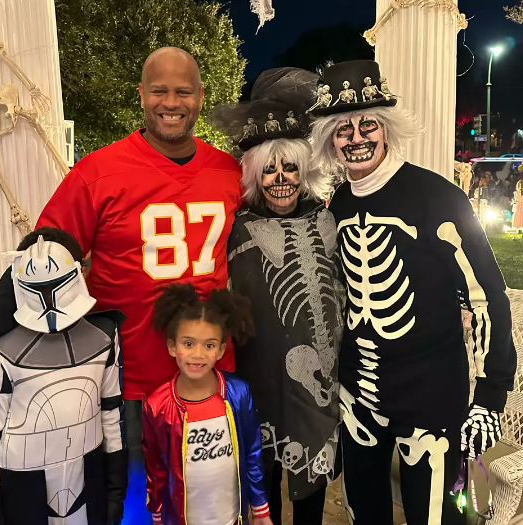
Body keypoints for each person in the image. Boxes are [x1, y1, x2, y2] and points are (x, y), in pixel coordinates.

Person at [0, 46, 242, 524]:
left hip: (209, 372)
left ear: (200, 96)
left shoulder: (230, 172)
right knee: (134, 503)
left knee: (205, 503)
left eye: (182, 91)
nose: (170, 102)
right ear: (141, 95)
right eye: (159, 90)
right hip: (130, 376)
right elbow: (41, 256)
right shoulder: (98, 171)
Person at [309, 60, 516, 524]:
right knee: (365, 509)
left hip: (429, 392)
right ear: (330, 139)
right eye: (343, 129)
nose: (356, 138)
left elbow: (487, 295)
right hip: (357, 391)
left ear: (387, 130)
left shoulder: (438, 197)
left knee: (436, 515)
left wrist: (489, 394)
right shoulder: (338, 203)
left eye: (368, 125)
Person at [212, 68, 346, 524]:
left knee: (309, 497)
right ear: (255, 175)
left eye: (290, 166)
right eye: (269, 169)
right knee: (260, 489)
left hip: (317, 389)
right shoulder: (237, 228)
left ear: (304, 169)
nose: (281, 178)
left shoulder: (330, 222)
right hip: (258, 378)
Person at [0, 227, 127, 525]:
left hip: (87, 473)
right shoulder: (2, 350)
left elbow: (111, 412)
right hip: (23, 486)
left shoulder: (104, 336)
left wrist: (116, 488)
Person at [142, 283, 273, 525]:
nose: (198, 354)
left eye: (209, 345)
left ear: (221, 350)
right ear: (172, 347)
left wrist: (260, 508)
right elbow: (155, 467)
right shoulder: (157, 405)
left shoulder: (238, 393)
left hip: (232, 517)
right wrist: (158, 514)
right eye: (188, 344)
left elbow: (253, 454)